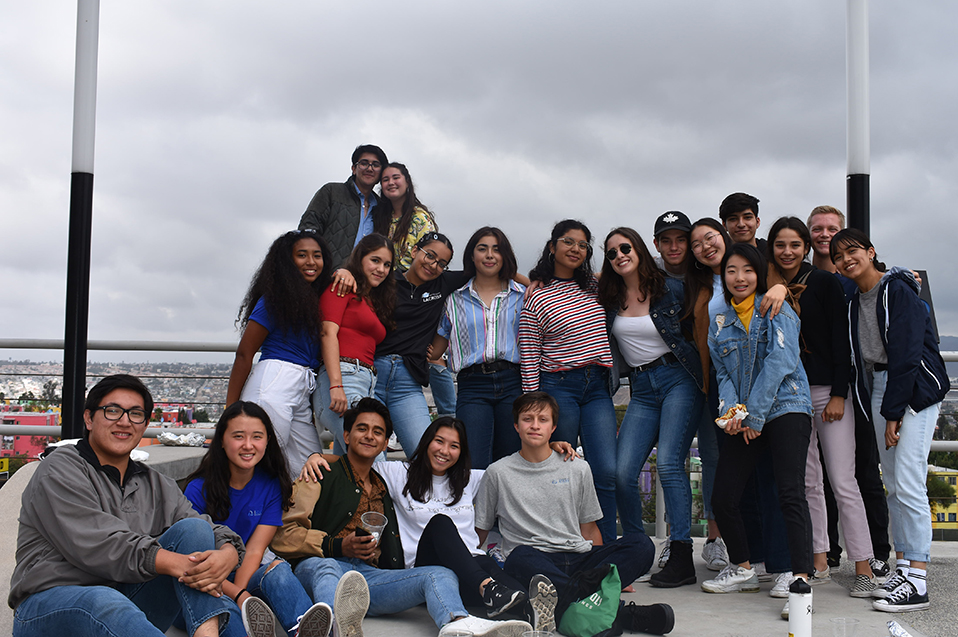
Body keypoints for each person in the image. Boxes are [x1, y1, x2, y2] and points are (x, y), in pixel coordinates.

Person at [270, 398, 532, 636]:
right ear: (346, 435)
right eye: (362, 429)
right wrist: (336, 545)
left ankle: (457, 623)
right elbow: (283, 535)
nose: (370, 437)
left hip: (371, 577)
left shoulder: (382, 483)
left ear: (386, 444)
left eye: (378, 432)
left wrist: (548, 447)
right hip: (322, 564)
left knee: (440, 574)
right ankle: (335, 629)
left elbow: (509, 471)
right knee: (327, 570)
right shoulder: (320, 475)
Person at [9, 374, 245, 637]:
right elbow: (102, 544)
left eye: (135, 414)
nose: (124, 421)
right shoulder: (60, 469)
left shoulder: (156, 484)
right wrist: (176, 563)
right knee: (105, 602)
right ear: (88, 419)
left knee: (193, 531)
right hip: (50, 606)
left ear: (144, 425)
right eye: (112, 411)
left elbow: (204, 527)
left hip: (123, 602)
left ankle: (206, 634)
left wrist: (228, 553)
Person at [475, 392, 673, 635]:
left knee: (642, 544)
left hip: (580, 558)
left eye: (543, 419)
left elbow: (589, 529)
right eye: (527, 419)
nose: (535, 425)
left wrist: (602, 566)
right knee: (518, 557)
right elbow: (480, 530)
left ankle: (577, 603)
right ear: (516, 425)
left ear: (553, 427)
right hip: (536, 562)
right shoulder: (497, 473)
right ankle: (618, 612)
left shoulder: (577, 467)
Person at [831, 229, 950, 613]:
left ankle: (918, 580)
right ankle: (904, 566)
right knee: (895, 486)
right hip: (882, 389)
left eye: (853, 251)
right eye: (839, 256)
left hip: (911, 390)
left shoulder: (897, 290)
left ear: (871, 251)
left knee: (911, 483)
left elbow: (907, 354)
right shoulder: (854, 300)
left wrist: (893, 414)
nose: (847, 259)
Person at [766, 217, 877, 598]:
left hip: (827, 391)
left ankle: (864, 566)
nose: (787, 251)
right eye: (780, 245)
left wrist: (839, 394)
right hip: (789, 395)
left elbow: (841, 340)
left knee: (843, 482)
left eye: (795, 244)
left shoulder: (825, 282)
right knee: (808, 482)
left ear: (807, 247)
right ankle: (817, 560)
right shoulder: (768, 286)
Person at [701, 244, 813, 620]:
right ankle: (745, 567)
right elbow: (724, 377)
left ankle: (799, 581)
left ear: (759, 273)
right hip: (750, 414)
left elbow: (781, 363)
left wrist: (754, 417)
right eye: (731, 271)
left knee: (789, 492)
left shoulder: (777, 308)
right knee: (724, 495)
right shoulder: (720, 325)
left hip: (787, 406)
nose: (739, 278)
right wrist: (732, 414)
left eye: (747, 270)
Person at [598, 227, 706, 588]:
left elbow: (700, 326)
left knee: (670, 464)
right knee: (622, 472)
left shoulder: (669, 288)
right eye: (612, 253)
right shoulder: (608, 297)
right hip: (641, 388)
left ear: (640, 249)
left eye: (625, 247)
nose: (619, 256)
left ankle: (680, 554)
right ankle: (636, 548)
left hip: (678, 378)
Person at [184, 401, 334, 637]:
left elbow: (254, 551)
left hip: (244, 572)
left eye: (257, 436)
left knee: (277, 571)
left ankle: (303, 630)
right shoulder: (197, 490)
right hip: (206, 584)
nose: (248, 445)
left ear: (267, 442)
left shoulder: (270, 485)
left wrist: (243, 596)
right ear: (222, 441)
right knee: (229, 619)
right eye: (238, 436)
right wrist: (238, 597)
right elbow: (194, 567)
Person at [519, 219, 619, 542]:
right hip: (558, 387)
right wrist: (535, 408)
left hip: (597, 388)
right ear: (552, 247)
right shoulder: (536, 297)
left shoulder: (595, 286)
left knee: (605, 471)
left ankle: (607, 555)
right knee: (561, 472)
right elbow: (530, 354)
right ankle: (564, 548)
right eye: (568, 242)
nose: (576, 249)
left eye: (582, 244)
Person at [806, 206, 892, 576]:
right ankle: (827, 555)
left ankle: (876, 556)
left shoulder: (854, 278)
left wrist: (899, 275)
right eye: (818, 229)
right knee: (815, 481)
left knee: (859, 478)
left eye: (833, 230)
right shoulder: (803, 278)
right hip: (812, 391)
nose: (826, 236)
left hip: (852, 390)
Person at [227, 230, 333, 478]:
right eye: (302, 255)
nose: (311, 262)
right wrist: (230, 409)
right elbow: (244, 353)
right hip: (273, 383)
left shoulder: (314, 299)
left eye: (317, 256)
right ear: (287, 260)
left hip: (300, 387)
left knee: (310, 468)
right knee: (262, 464)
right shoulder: (275, 300)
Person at [432, 227, 525, 468]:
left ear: (505, 255)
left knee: (510, 463)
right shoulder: (454, 299)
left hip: (513, 382)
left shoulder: (522, 295)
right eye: (482, 248)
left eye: (496, 249)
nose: (489, 255)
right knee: (473, 463)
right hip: (472, 385)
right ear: (472, 256)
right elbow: (434, 349)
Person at [373, 233, 472, 455]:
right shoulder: (386, 280)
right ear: (416, 250)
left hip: (407, 382)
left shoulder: (442, 284)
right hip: (373, 374)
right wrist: (343, 272)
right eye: (430, 256)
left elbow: (490, 267)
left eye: (442, 264)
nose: (434, 265)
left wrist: (534, 283)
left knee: (424, 456)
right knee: (369, 458)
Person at [316, 233, 395, 455]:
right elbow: (327, 333)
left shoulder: (372, 300)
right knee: (373, 457)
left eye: (387, 264)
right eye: (375, 260)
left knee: (350, 469)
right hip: (344, 377)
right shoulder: (342, 286)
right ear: (360, 258)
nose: (381, 269)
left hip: (368, 383)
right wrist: (336, 385)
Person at [299, 144, 389, 269]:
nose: (369, 168)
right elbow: (307, 231)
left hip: (361, 283)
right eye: (364, 163)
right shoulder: (332, 192)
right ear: (353, 168)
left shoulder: (381, 208)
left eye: (375, 165)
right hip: (326, 277)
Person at [652, 210, 692, 280]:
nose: (674, 248)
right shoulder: (649, 272)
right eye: (666, 241)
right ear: (657, 245)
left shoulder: (705, 269)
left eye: (680, 240)